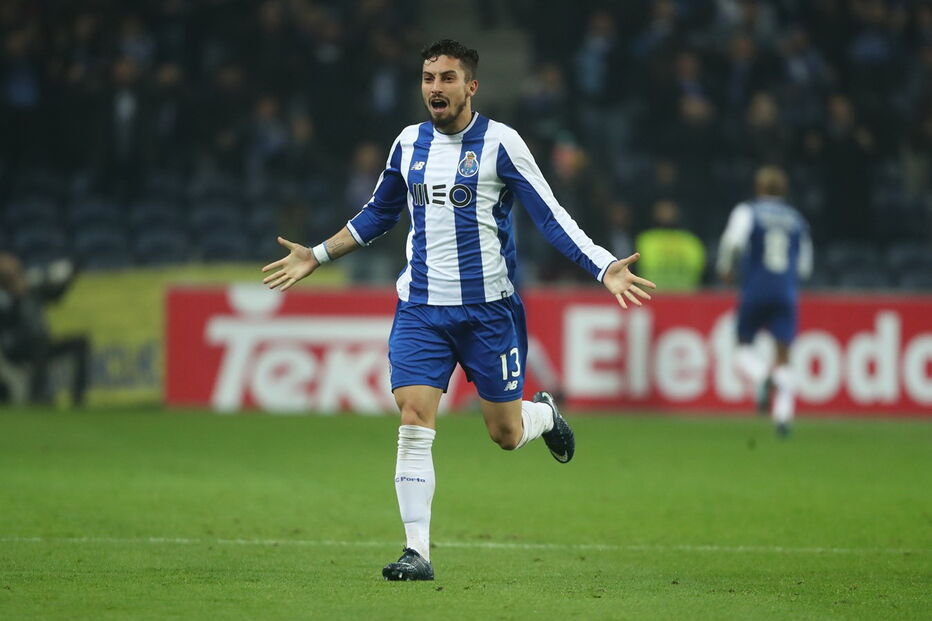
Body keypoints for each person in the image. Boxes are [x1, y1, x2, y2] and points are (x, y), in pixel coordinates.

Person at [261, 39, 656, 581]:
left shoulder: (502, 144)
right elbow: (378, 215)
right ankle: (417, 551)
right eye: (428, 78)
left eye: (447, 78)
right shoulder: (406, 144)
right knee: (414, 418)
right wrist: (318, 254)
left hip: (488, 313)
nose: (435, 88)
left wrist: (603, 266)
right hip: (421, 308)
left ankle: (543, 414)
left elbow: (551, 215)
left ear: (470, 87)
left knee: (506, 433)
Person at [716, 166, 812, 437]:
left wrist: (726, 267)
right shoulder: (797, 219)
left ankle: (760, 375)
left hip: (756, 287)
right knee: (784, 354)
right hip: (786, 291)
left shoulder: (748, 211)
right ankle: (783, 417)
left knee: (742, 344)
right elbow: (805, 265)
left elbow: (733, 243)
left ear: (759, 188)